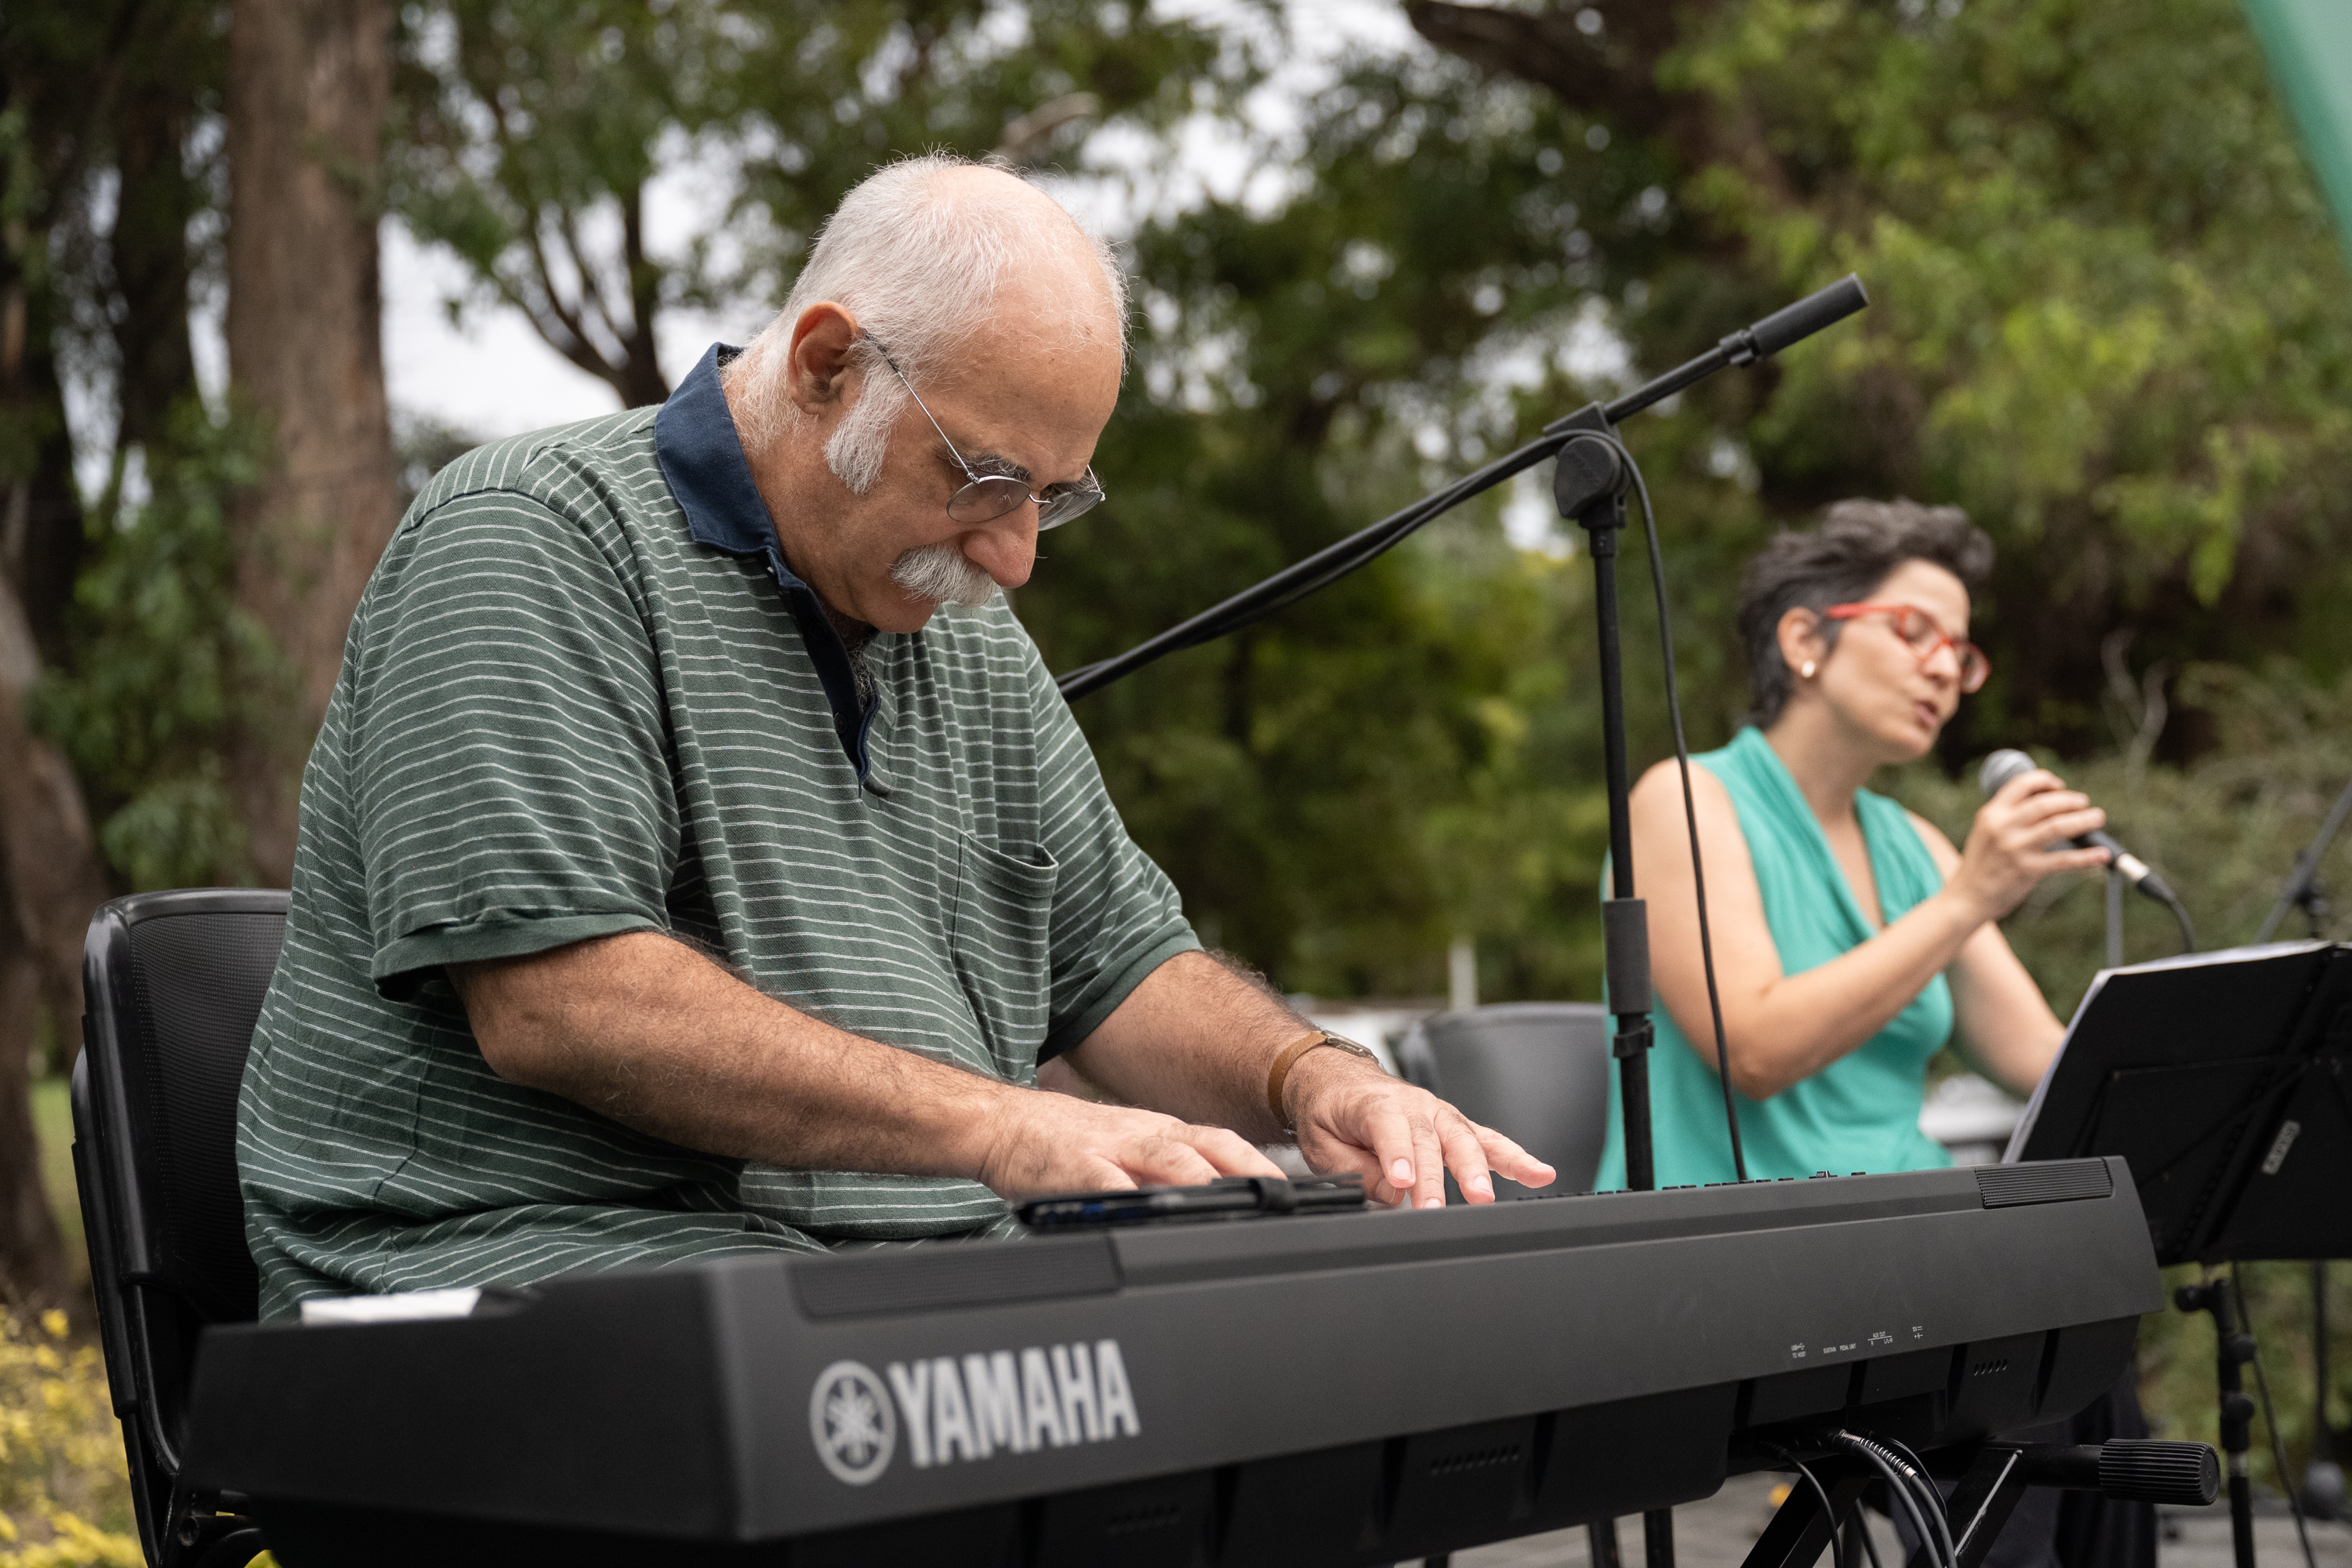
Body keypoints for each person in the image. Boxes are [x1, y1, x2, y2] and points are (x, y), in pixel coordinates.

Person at [237, 154, 1551, 1319]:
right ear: (826, 366)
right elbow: (562, 1003)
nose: (1017, 556)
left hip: (885, 1281)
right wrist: (998, 1126)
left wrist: (1310, 1078)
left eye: (1054, 495)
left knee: (1303, 1341)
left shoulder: (966, 629)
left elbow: (1123, 965)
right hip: (515, 1275)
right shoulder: (532, 537)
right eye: (984, 477)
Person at [1595, 500, 2107, 1190]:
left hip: (1913, 1221)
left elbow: (2043, 1057)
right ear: (1805, 640)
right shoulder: (1683, 801)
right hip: (1730, 1239)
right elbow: (1755, 1051)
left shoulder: (1917, 847)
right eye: (1914, 631)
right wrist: (1964, 902)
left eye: (1960, 652)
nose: (1944, 670)